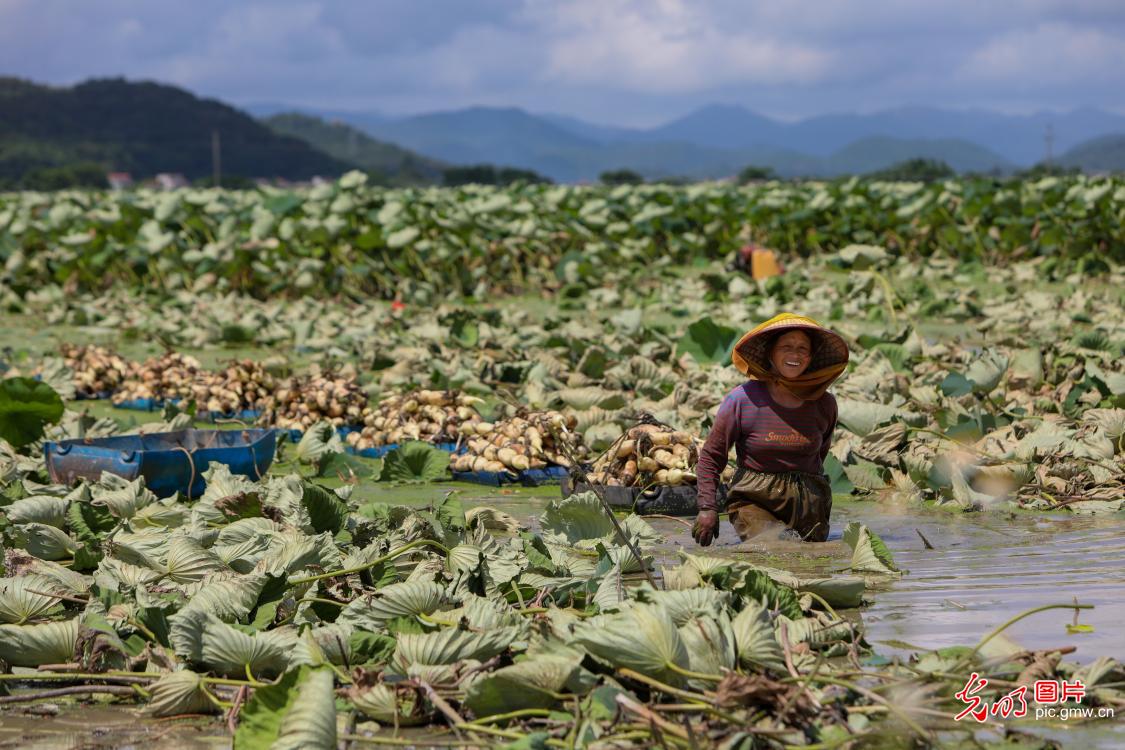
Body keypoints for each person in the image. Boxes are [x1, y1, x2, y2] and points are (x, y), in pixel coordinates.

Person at [692, 313, 849, 545]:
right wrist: (707, 508)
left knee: (812, 566)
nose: (794, 355)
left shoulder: (825, 404)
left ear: (811, 357)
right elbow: (711, 457)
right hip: (754, 499)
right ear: (771, 354)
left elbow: (819, 456)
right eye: (786, 347)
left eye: (802, 349)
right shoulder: (742, 400)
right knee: (774, 549)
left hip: (809, 503)